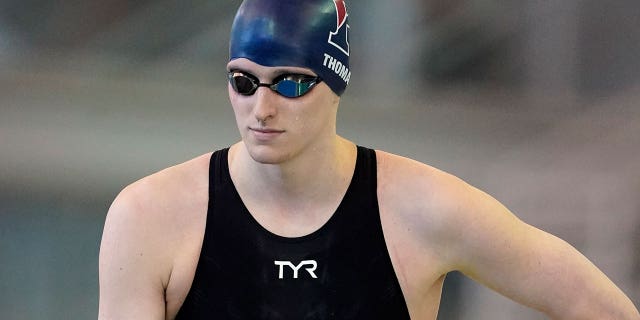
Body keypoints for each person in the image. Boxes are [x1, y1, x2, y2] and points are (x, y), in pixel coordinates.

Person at [98, 0, 640, 319]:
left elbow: (602, 308)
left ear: (336, 84)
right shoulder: (150, 217)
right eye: (244, 82)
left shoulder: (423, 210)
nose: (260, 108)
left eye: (289, 84)